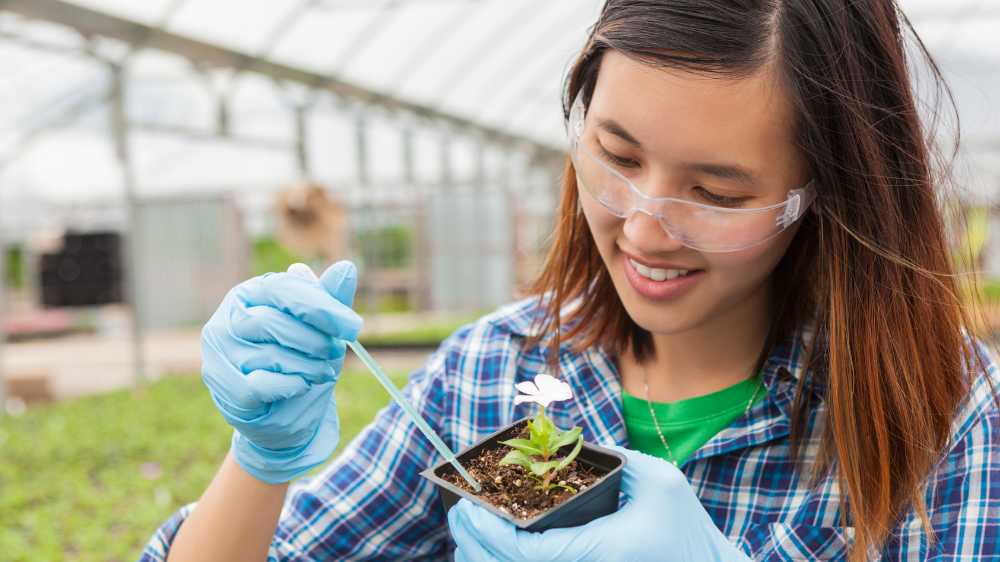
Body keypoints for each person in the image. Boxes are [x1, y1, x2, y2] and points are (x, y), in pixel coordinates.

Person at [141, 1, 1000, 560]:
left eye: (717, 193)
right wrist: (261, 461)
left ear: (827, 194)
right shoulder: (489, 377)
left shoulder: (940, 414)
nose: (642, 227)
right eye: (616, 156)